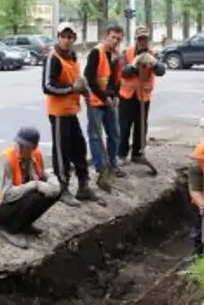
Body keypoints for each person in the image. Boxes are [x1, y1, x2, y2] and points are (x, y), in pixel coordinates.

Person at [42, 22, 99, 206]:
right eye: (63, 36)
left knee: (79, 147)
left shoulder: (72, 57)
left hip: (71, 110)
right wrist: (71, 88)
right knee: (62, 151)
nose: (66, 40)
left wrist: (82, 87)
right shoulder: (53, 58)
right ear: (58, 37)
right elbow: (48, 86)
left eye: (70, 37)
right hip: (58, 113)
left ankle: (83, 186)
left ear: (74, 38)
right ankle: (63, 188)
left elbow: (76, 80)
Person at [0, 127, 62, 249]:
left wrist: (52, 179)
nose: (19, 148)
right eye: (18, 143)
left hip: (14, 201)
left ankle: (23, 224)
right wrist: (34, 185)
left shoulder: (36, 154)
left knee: (53, 193)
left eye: (24, 146)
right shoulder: (5, 160)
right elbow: (7, 195)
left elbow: (40, 174)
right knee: (35, 196)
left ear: (33, 148)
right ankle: (9, 229)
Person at [117, 25, 166, 165]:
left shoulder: (153, 53)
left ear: (148, 39)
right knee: (124, 126)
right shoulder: (127, 53)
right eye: (140, 39)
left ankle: (138, 153)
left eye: (144, 38)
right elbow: (122, 72)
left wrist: (154, 63)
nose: (142, 41)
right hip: (127, 96)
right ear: (136, 39)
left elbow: (161, 71)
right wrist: (133, 64)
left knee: (141, 126)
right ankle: (121, 154)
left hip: (143, 97)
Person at [84, 23, 124, 178]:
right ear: (106, 36)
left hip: (107, 101)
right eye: (113, 37)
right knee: (95, 135)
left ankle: (112, 164)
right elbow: (90, 78)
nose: (115, 41)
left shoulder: (114, 55)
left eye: (118, 39)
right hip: (95, 101)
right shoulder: (96, 52)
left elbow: (114, 80)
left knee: (114, 134)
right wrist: (104, 96)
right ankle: (101, 168)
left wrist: (115, 96)